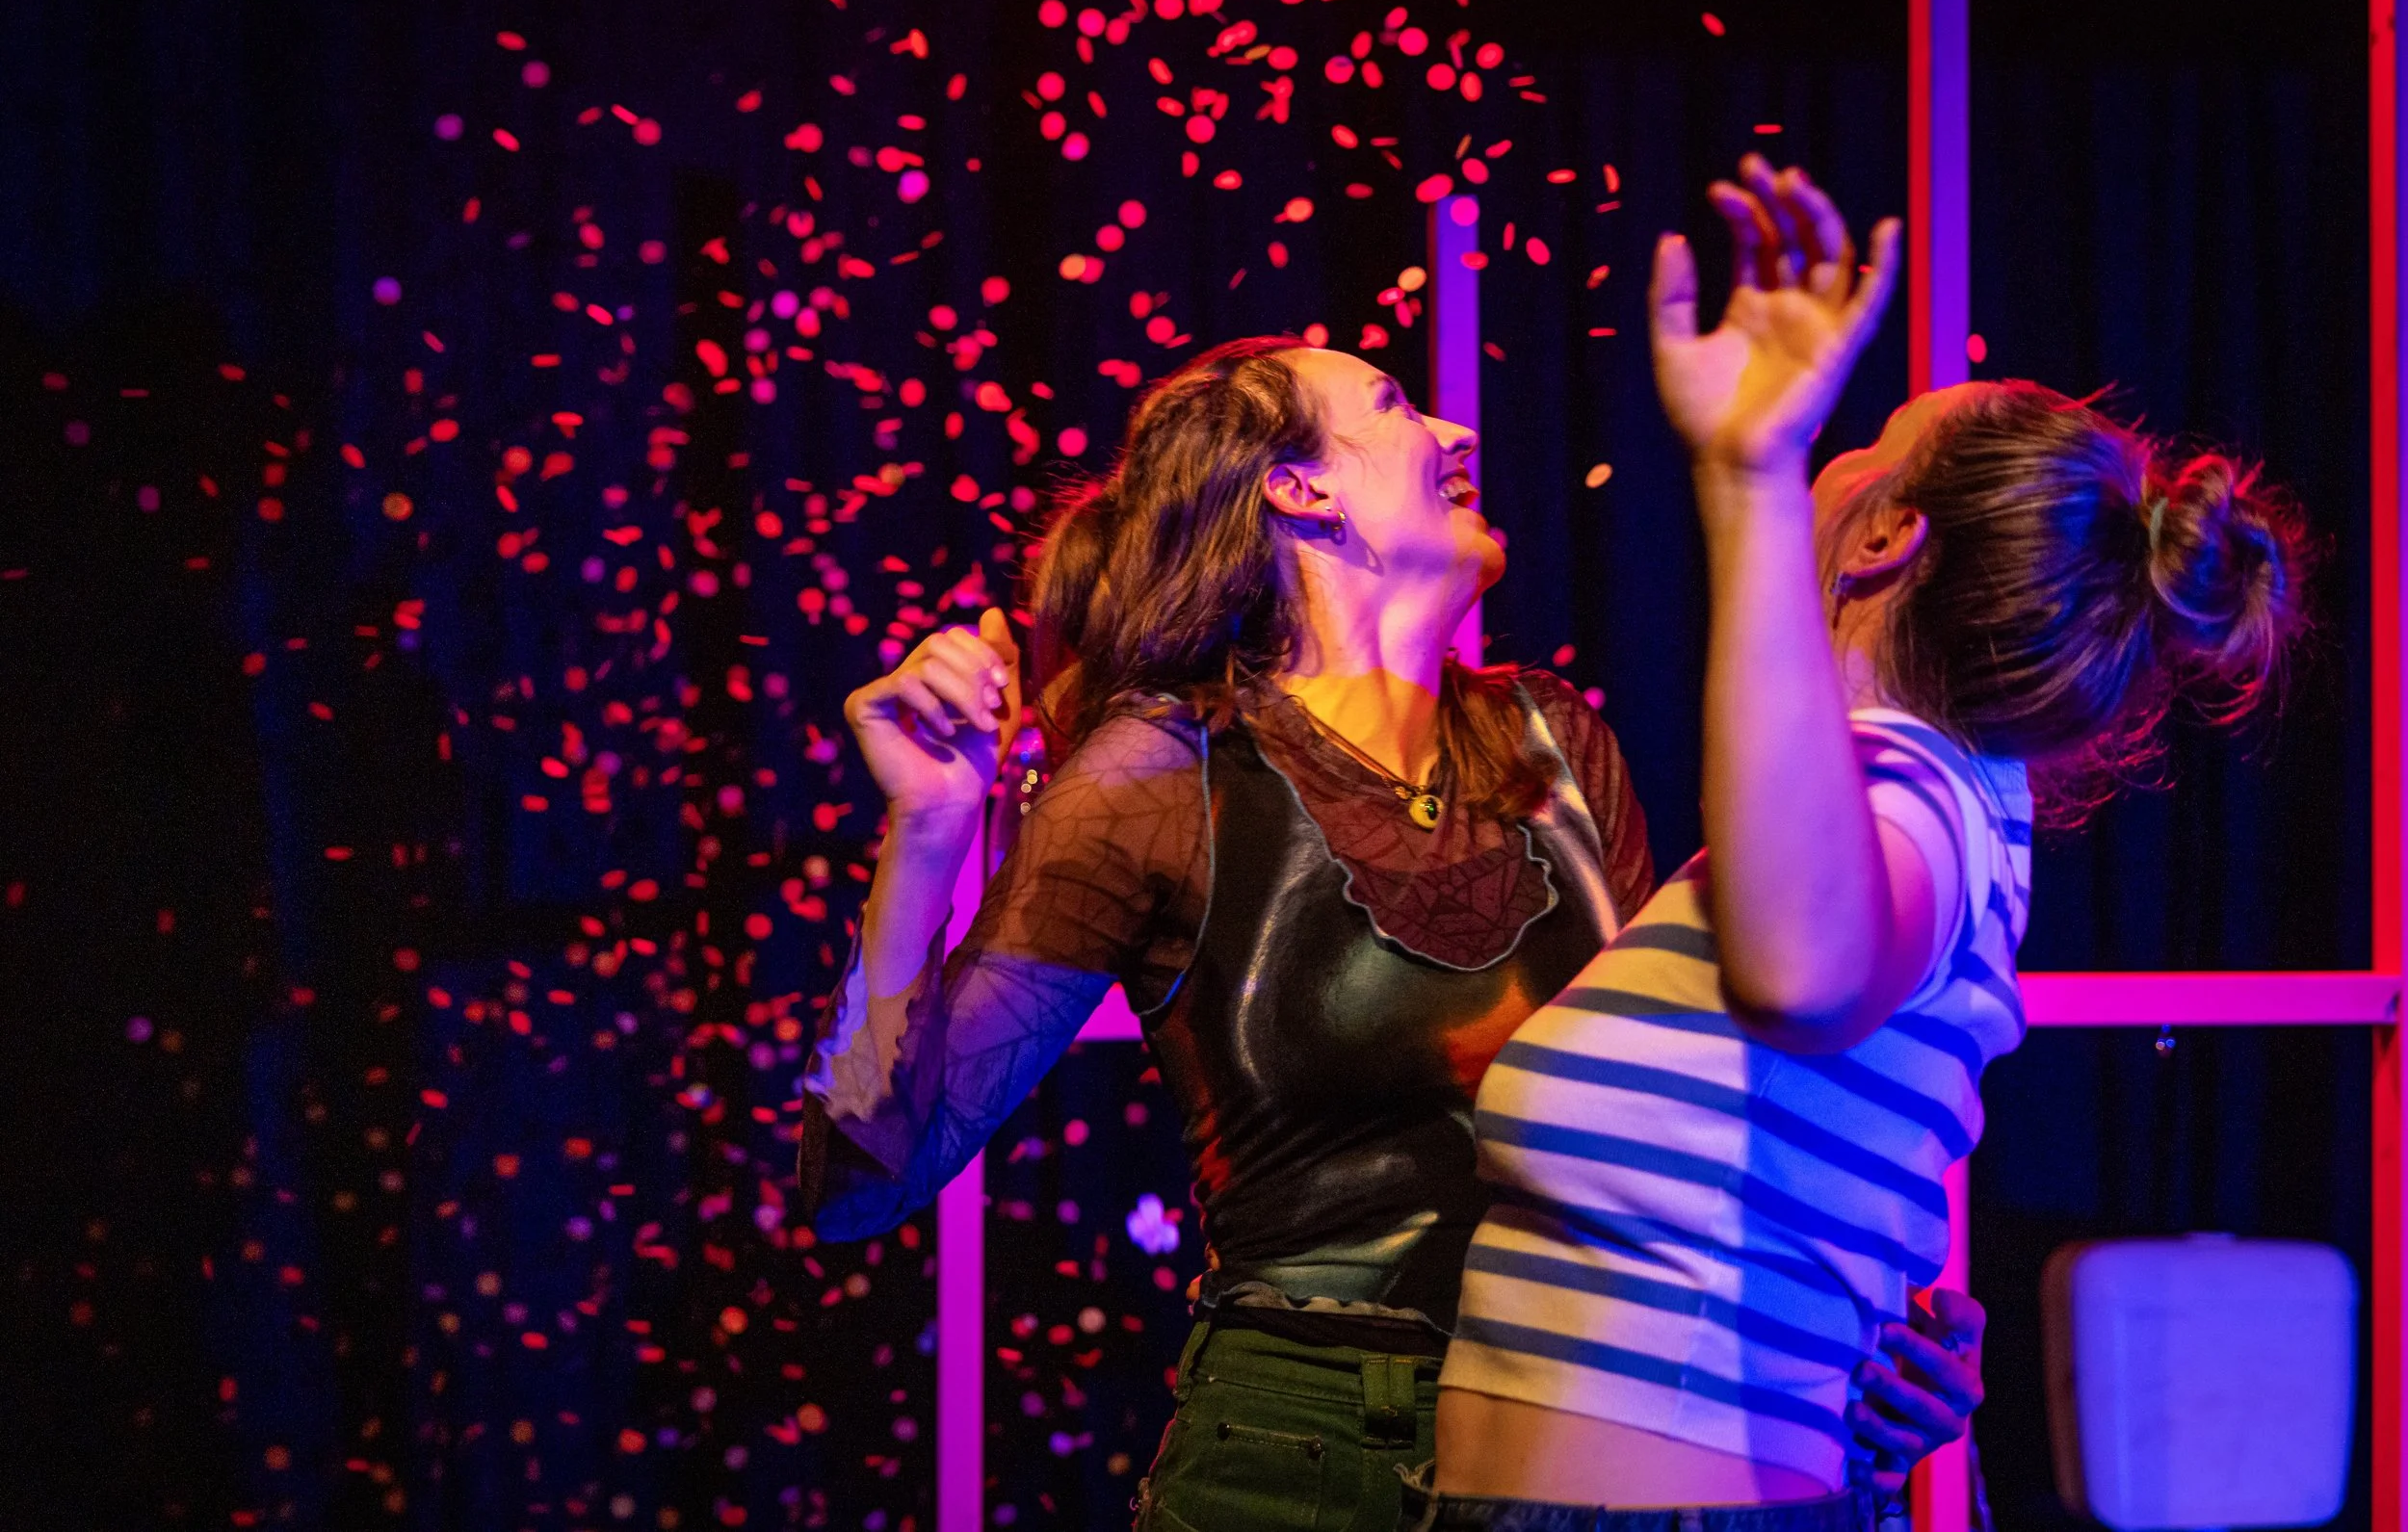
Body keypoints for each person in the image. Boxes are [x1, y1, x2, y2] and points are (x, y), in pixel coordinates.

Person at [799, 325, 1986, 1530]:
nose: (1458, 431)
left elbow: (1689, 1121)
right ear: (1297, 490)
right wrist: (928, 831)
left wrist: (1862, 1332)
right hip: (1305, 1457)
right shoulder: (1155, 775)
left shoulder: (1554, 742)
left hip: (1579, 1439)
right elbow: (858, 1185)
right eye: (1394, 404)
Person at [1418, 160, 2309, 1530]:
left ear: (1888, 534)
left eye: (1870, 440)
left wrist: (1752, 477)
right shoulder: (1926, 797)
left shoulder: (1921, 791)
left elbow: (1805, 967)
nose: (1835, 450)